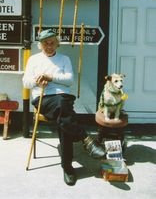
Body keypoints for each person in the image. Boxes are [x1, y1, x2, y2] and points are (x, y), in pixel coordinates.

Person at [22, 29, 105, 186]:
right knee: (64, 113)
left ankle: (67, 167)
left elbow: (69, 80)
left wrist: (51, 77)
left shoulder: (64, 59)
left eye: (52, 42)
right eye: (45, 43)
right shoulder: (34, 59)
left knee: (63, 114)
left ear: (57, 44)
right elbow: (26, 82)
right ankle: (86, 141)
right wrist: (37, 81)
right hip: (43, 98)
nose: (49, 45)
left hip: (63, 98)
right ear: (40, 45)